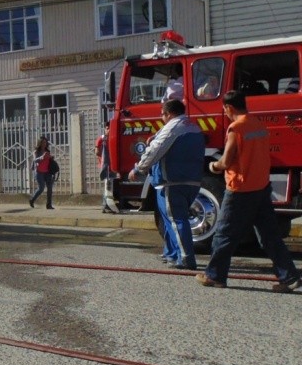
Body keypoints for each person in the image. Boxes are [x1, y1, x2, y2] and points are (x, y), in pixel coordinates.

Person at [196, 90, 301, 292]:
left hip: (240, 189)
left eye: (224, 109)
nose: (225, 113)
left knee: (224, 234)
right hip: (260, 187)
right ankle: (289, 278)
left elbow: (226, 161)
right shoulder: (258, 124)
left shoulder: (236, 128)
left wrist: (212, 166)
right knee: (269, 236)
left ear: (229, 108)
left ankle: (214, 276)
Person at [127, 99, 204, 270]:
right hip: (192, 180)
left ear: (168, 114)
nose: (161, 118)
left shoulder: (172, 128)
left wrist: (139, 169)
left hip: (172, 182)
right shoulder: (193, 126)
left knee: (177, 220)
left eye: (162, 114)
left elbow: (154, 151)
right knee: (170, 220)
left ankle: (186, 258)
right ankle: (171, 253)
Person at [29, 136, 55, 209]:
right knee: (41, 188)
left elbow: (49, 161)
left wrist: (51, 157)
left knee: (50, 188)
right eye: (42, 142)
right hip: (39, 172)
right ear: (39, 143)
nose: (44, 144)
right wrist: (42, 157)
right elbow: (35, 160)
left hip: (47, 172)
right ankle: (32, 200)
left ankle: (49, 205)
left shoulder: (47, 151)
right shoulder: (36, 152)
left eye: (45, 142)